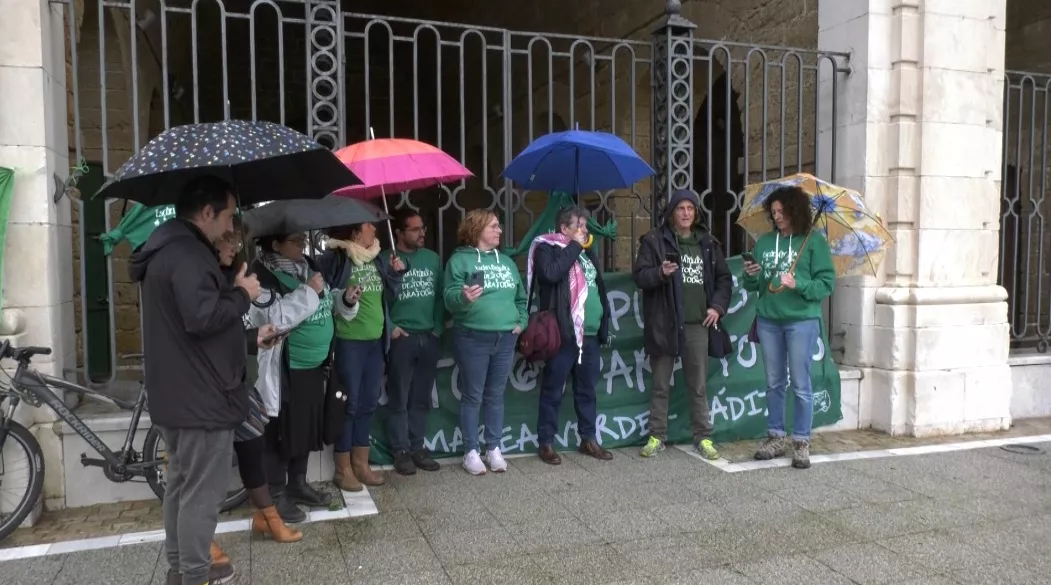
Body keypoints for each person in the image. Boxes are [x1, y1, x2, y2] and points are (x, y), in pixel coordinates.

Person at [130, 175, 260, 585]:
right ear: (206, 213)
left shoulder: (171, 249)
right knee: (201, 496)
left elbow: (195, 315)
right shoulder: (187, 253)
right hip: (201, 399)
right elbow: (202, 317)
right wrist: (243, 294)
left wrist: (224, 277)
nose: (230, 225)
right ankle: (194, 575)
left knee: (181, 488)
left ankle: (180, 569)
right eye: (227, 215)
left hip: (180, 395)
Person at [248, 232, 360, 520]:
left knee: (306, 429)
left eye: (302, 240)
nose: (302, 246)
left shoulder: (308, 266)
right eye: (294, 240)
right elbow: (274, 319)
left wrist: (344, 299)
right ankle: (276, 494)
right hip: (286, 369)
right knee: (283, 433)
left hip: (313, 367)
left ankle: (298, 484)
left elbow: (325, 300)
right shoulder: (262, 276)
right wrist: (309, 291)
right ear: (275, 244)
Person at [215, 225, 302, 547]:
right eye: (228, 237)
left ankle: (266, 518)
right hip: (211, 388)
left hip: (238, 382)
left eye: (237, 238)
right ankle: (204, 542)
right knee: (209, 470)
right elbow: (208, 331)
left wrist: (256, 337)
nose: (235, 244)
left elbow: (230, 330)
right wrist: (241, 299)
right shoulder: (208, 278)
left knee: (253, 443)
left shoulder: (234, 274)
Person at [632, 188, 732, 460]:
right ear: (672, 213)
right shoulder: (655, 241)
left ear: (696, 212)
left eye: (690, 208)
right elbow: (640, 276)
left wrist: (717, 307)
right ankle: (657, 436)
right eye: (680, 208)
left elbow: (724, 279)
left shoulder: (708, 242)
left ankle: (703, 437)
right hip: (665, 323)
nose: (686, 213)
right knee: (661, 383)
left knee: (697, 384)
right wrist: (660, 273)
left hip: (697, 324)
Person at [741, 185, 835, 469]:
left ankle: (802, 441)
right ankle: (775, 436)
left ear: (796, 211)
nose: (777, 217)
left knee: (801, 384)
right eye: (773, 212)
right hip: (769, 319)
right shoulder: (766, 242)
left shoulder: (814, 243)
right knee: (773, 382)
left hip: (801, 321)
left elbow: (826, 284)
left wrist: (800, 283)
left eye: (782, 211)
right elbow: (756, 286)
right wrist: (750, 275)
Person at [319, 223, 405, 491]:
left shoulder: (378, 258)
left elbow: (390, 296)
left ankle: (361, 464)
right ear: (356, 234)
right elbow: (325, 296)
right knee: (350, 404)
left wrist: (395, 274)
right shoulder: (337, 258)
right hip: (349, 343)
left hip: (375, 342)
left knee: (368, 402)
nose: (375, 231)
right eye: (369, 228)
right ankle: (343, 469)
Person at [443, 209, 528, 475]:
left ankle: (493, 448)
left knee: (495, 395)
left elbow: (521, 298)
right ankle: (471, 451)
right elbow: (449, 297)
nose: (499, 231)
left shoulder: (507, 262)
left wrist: (521, 322)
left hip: (505, 338)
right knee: (473, 395)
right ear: (477, 229)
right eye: (493, 226)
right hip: (473, 336)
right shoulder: (459, 261)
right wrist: (463, 298)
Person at [527, 206, 613, 464]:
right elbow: (551, 274)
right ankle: (546, 443)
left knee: (586, 390)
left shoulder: (587, 253)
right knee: (553, 390)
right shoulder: (547, 248)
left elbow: (597, 287)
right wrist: (574, 247)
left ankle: (588, 438)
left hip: (589, 334)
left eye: (585, 226)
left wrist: (603, 323)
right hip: (563, 334)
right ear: (565, 228)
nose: (586, 231)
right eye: (581, 226)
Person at [386, 209, 443, 475]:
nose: (422, 234)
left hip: (428, 336)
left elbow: (441, 297)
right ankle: (401, 451)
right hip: (402, 338)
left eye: (423, 228)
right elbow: (377, 300)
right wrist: (390, 328)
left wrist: (437, 330)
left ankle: (418, 446)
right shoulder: (385, 259)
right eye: (415, 229)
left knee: (421, 397)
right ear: (399, 233)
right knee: (399, 396)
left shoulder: (432, 259)